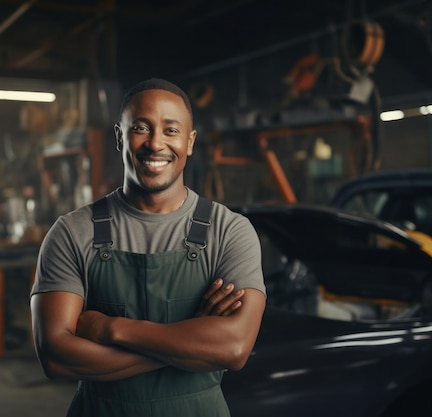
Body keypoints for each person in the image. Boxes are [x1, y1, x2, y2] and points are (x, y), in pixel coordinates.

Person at [30, 78, 267, 416]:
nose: (155, 143)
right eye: (141, 128)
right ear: (119, 137)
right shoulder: (72, 232)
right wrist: (190, 343)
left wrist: (109, 329)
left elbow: (234, 348)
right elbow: (55, 357)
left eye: (171, 130)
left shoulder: (229, 231)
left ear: (190, 141)